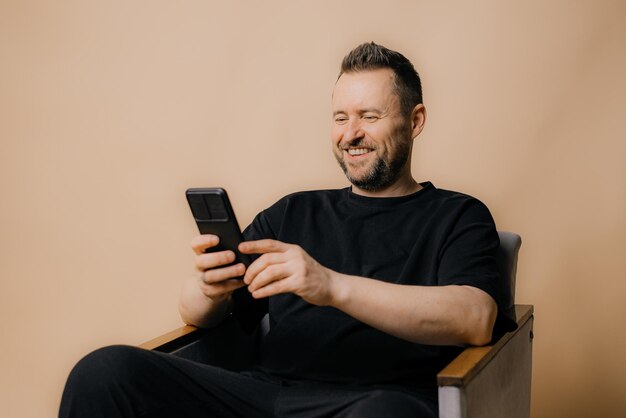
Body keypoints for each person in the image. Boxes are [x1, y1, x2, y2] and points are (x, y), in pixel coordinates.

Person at [60, 42, 513, 418]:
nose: (350, 133)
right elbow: (200, 316)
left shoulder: (458, 215)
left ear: (414, 122)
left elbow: (474, 318)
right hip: (265, 396)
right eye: (340, 118)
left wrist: (331, 285)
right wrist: (208, 285)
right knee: (103, 370)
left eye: (369, 117)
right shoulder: (292, 213)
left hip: (374, 403)